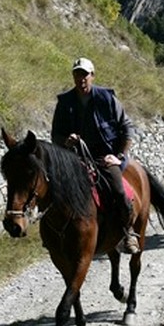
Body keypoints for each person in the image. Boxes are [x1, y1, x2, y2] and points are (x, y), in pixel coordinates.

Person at [51, 57, 140, 254]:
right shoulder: (65, 102)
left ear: (92, 76)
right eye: (77, 74)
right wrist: (66, 140)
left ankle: (128, 231)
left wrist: (118, 156)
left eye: (85, 74)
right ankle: (54, 233)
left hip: (105, 157)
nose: (81, 78)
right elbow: (55, 135)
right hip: (74, 158)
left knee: (119, 192)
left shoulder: (107, 98)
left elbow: (126, 128)